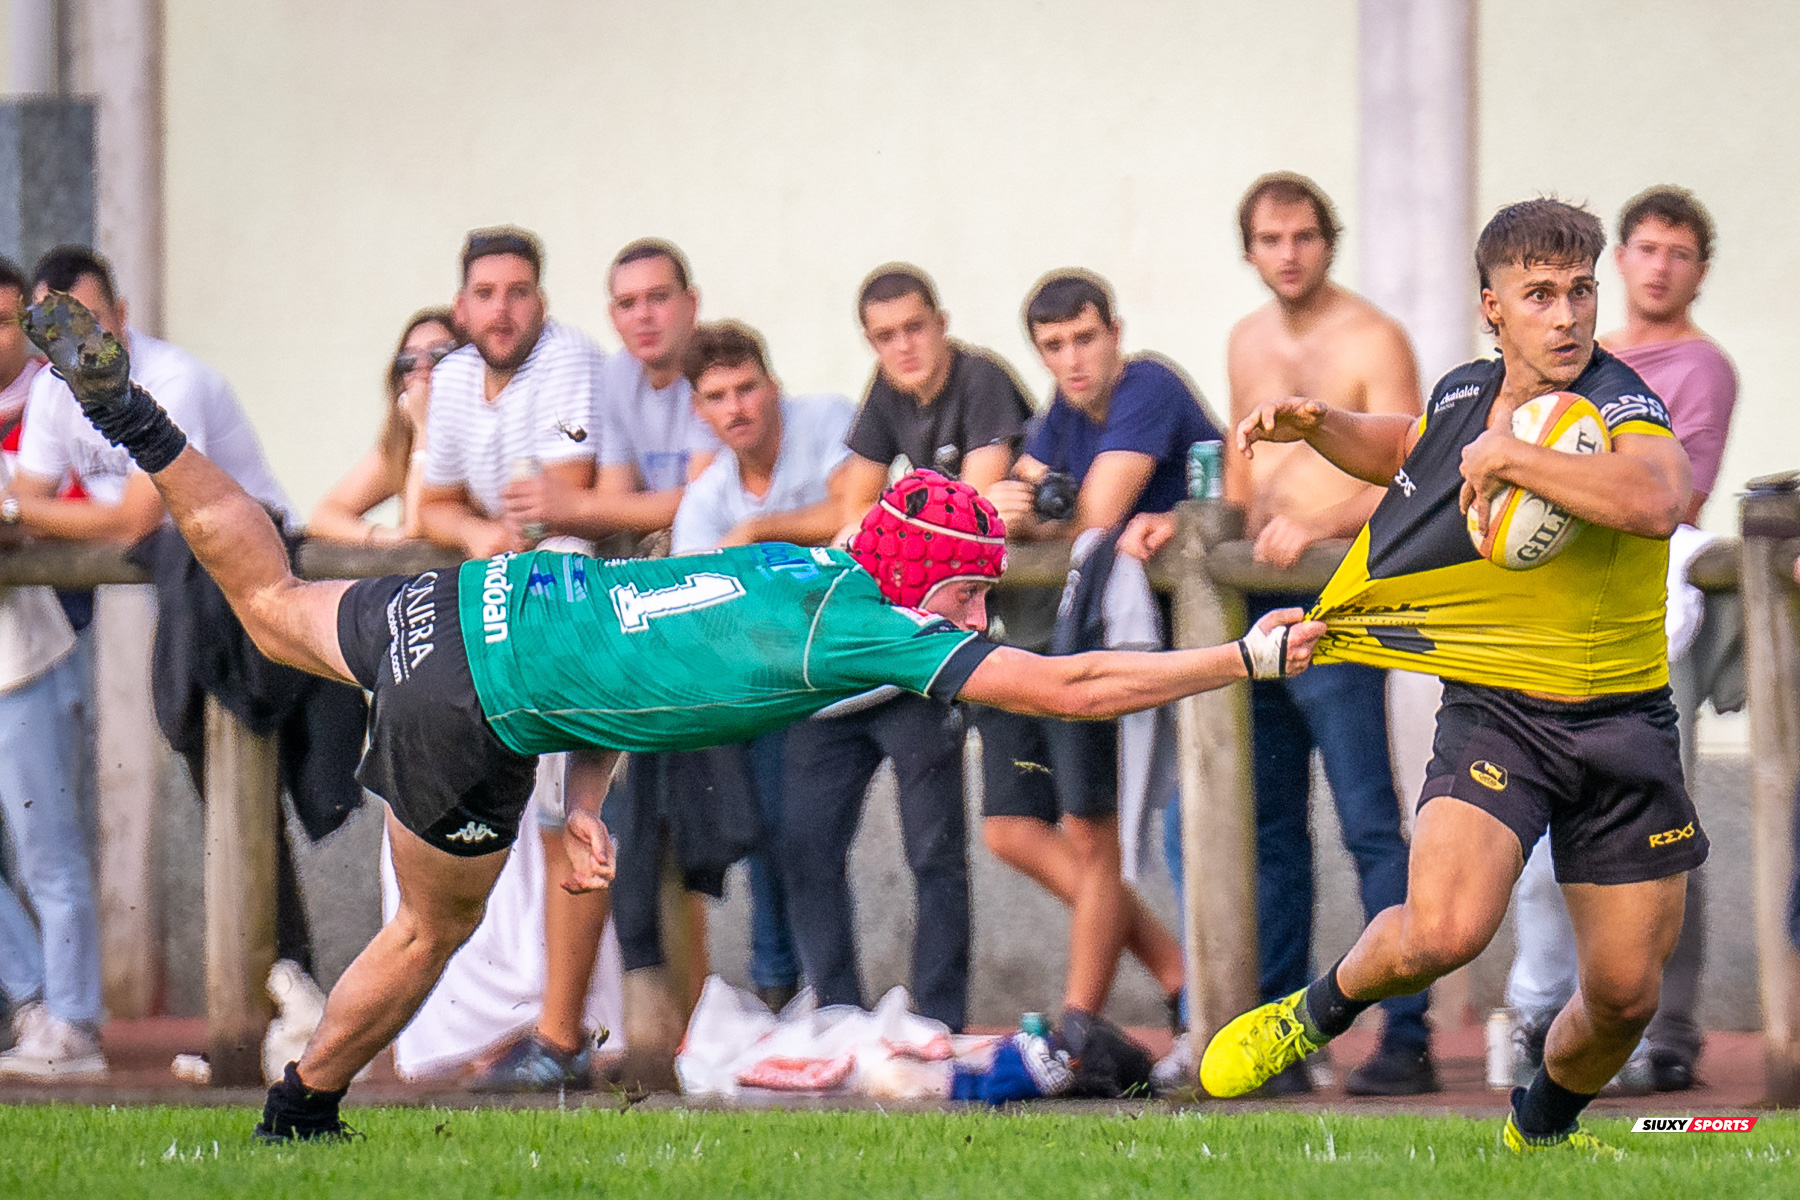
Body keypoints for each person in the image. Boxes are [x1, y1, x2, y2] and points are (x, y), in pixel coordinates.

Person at [18, 288, 1323, 1139]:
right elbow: (1079, 684)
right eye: (972, 594)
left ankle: (140, 422)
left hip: (478, 602)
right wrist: (1245, 661)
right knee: (430, 931)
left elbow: (639, 646)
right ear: (931, 587)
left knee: (273, 601)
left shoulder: (799, 564)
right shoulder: (870, 623)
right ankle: (299, 1109)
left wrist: (581, 796)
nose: (980, 618)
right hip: (482, 696)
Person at [1199, 198, 1700, 1158]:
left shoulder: (1618, 401)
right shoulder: (1469, 394)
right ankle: (1313, 1011)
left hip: (1623, 721)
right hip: (1498, 712)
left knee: (1627, 994)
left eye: (1582, 292)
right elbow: (1408, 449)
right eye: (1541, 295)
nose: (1567, 316)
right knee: (1444, 930)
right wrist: (1321, 424)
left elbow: (1660, 496)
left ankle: (1538, 1130)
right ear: (1493, 308)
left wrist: (1519, 458)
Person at [1505, 186, 1738, 1093]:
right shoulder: (1577, 360)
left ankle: (1667, 1026)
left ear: (1699, 271)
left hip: (1649, 613)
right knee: (1544, 831)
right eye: (1644, 249)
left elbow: (1671, 500)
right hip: (1557, 618)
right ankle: (1547, 1021)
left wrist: (1554, 483)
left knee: (1658, 824)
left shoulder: (1698, 369)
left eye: (1679, 253)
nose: (1658, 267)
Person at [1223, 172, 1432, 1095]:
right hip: (1252, 605)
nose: (1290, 253)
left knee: (1367, 820)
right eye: (1272, 239)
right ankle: (1283, 1037)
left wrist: (1316, 525)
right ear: (1250, 251)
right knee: (1269, 828)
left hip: (1341, 602)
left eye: (1305, 235)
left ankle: (1409, 1034)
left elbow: (1418, 466)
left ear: (1329, 241)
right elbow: (1245, 479)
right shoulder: (1245, 340)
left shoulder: (1373, 337)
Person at [791, 265, 1036, 1032]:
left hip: (936, 653)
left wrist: (887, 531)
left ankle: (937, 1022)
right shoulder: (886, 389)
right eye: (885, 335)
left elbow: (966, 517)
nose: (903, 347)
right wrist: (891, 529)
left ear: (942, 322)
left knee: (934, 850)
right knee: (802, 837)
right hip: (857, 662)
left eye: (914, 328)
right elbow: (851, 505)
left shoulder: (983, 378)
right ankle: (834, 1009)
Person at [984, 270, 1219, 1049]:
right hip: (1064, 638)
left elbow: (1092, 514)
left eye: (1085, 338)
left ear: (1115, 331)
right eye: (1054, 346)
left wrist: (1027, 516)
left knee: (1098, 833)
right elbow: (1025, 503)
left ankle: (1079, 1022)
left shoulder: (1146, 384)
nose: (1074, 359)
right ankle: (1179, 972)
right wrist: (1008, 508)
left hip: (1160, 646)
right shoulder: (1058, 412)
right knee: (1010, 830)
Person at [413, 226, 610, 1091]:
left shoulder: (570, 361)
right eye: (487, 293)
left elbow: (560, 501)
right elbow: (437, 507)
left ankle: (562, 1039)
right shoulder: (453, 378)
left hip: (575, 609)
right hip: (498, 612)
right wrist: (477, 531)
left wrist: (497, 530)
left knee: (569, 817)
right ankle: (519, 1032)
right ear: (462, 306)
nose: (503, 308)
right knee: (495, 820)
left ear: (543, 300)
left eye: (520, 291)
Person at [669, 320, 852, 1012]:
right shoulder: (706, 496)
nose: (736, 408)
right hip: (760, 685)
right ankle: (783, 988)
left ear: (773, 385)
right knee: (765, 834)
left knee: (807, 839)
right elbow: (689, 604)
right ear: (698, 410)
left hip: (853, 672)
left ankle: (830, 999)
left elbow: (852, 507)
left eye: (747, 388)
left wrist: (755, 533)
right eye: (717, 396)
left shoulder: (826, 419)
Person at [0, 257, 102, 1079]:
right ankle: (35, 996)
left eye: (7, 321)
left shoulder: (59, 401)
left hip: (27, 661)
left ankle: (74, 1025)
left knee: (48, 852)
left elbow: (79, 511)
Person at [308, 308, 462, 544]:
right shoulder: (401, 441)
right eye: (408, 361)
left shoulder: (479, 431)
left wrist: (425, 428)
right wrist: (384, 537)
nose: (421, 367)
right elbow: (324, 515)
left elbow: (417, 527)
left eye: (439, 354)